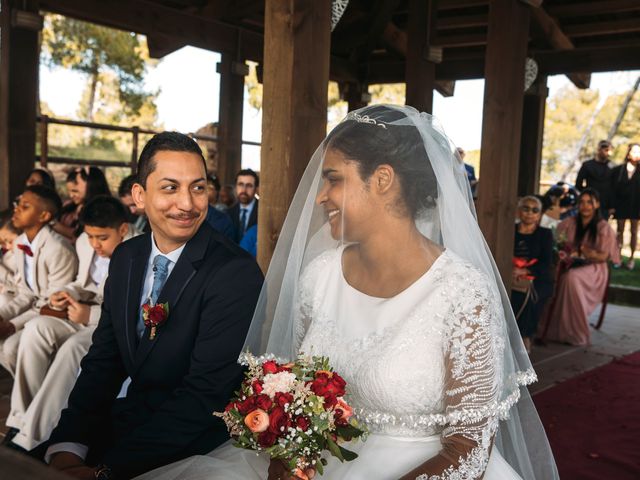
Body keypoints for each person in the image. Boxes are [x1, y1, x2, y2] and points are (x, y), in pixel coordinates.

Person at [141, 105, 558, 480]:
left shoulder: (463, 291)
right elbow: (291, 393)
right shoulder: (319, 277)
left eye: (333, 179)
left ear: (382, 180)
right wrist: (284, 458)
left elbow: (469, 446)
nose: (320, 196)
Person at [46, 132, 263, 479]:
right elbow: (105, 359)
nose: (187, 203)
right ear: (139, 195)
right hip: (131, 419)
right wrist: (69, 445)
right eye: (170, 188)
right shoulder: (126, 257)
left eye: (197, 187)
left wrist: (106, 470)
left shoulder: (235, 273)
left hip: (196, 441)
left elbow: (204, 396)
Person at [4, 196, 140, 452]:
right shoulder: (83, 243)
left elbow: (133, 311)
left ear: (122, 229)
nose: (95, 244)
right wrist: (68, 292)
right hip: (81, 311)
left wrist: (89, 315)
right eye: (90, 236)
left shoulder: (138, 250)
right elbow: (82, 281)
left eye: (102, 237)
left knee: (73, 347)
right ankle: (22, 417)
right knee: (36, 329)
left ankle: (36, 434)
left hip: (107, 324)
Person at [0, 186, 78, 375]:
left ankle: (36, 398)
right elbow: (26, 293)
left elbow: (53, 304)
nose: (17, 209)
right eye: (18, 204)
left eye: (25, 206)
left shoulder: (59, 249)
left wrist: (12, 325)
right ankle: (25, 393)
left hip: (56, 314)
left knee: (10, 347)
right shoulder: (19, 244)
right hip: (35, 309)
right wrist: (2, 316)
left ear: (44, 216)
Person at [542, 188, 619, 347]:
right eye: (582, 202)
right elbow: (556, 241)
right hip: (569, 264)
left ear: (597, 205)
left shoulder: (603, 227)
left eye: (589, 202)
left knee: (571, 278)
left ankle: (576, 333)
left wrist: (585, 252)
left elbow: (603, 256)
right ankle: (552, 328)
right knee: (552, 273)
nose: (585, 206)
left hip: (595, 269)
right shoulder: (569, 223)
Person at [511, 196, 554, 354]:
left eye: (535, 210)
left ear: (540, 214)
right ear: (519, 211)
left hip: (536, 277)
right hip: (510, 274)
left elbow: (546, 263)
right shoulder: (510, 230)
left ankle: (524, 336)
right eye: (526, 208)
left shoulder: (545, 234)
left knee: (529, 296)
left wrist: (526, 271)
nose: (530, 213)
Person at [55, 167, 112, 241]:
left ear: (91, 187)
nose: (71, 195)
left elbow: (80, 236)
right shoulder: (68, 205)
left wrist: (54, 224)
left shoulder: (101, 211)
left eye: (75, 191)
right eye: (69, 191)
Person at [610, 143, 640, 270]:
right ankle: (618, 258)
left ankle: (631, 259)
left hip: (636, 206)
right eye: (634, 151)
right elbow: (612, 189)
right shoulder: (618, 170)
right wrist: (612, 206)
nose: (637, 154)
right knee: (619, 231)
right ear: (628, 153)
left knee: (634, 231)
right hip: (621, 205)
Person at [575, 139, 614, 217]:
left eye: (608, 150)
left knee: (602, 227)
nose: (606, 152)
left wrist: (612, 206)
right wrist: (587, 194)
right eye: (604, 149)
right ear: (598, 149)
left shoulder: (613, 167)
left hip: (605, 205)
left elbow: (614, 187)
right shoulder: (587, 165)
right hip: (589, 203)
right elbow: (578, 184)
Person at [227, 169, 259, 242]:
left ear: (256, 189)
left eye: (249, 186)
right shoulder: (228, 213)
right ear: (236, 187)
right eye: (240, 184)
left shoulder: (263, 213)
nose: (244, 190)